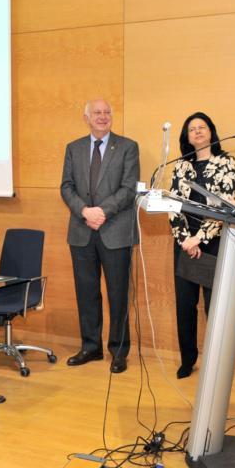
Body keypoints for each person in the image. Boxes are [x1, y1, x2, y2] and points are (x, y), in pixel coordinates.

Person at [60, 98, 139, 374]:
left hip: (115, 230)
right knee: (86, 293)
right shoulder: (74, 148)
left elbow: (129, 189)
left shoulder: (128, 147)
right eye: (97, 113)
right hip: (82, 232)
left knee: (118, 294)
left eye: (107, 113)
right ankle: (90, 346)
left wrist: (101, 212)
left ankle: (119, 350)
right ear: (87, 117)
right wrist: (84, 211)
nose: (103, 117)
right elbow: (66, 187)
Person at [168, 112, 235, 379]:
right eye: (192, 129)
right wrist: (185, 239)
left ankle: (216, 363)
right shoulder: (181, 166)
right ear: (186, 137)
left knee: (213, 307)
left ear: (211, 132)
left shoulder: (226, 162)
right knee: (185, 306)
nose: (197, 132)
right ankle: (188, 359)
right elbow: (173, 206)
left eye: (202, 127)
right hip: (184, 243)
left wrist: (201, 238)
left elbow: (225, 204)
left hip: (212, 243)